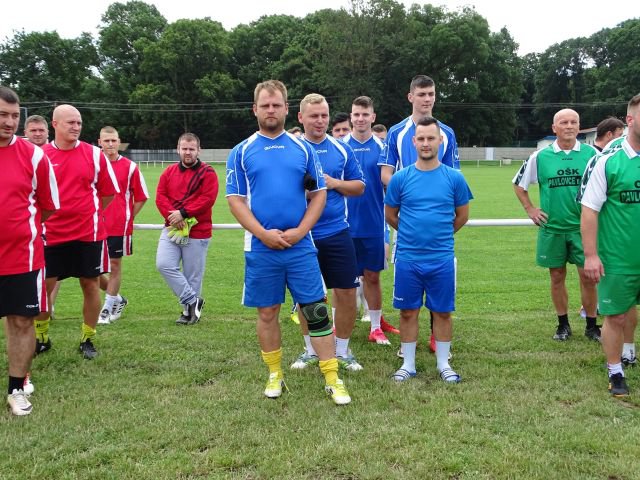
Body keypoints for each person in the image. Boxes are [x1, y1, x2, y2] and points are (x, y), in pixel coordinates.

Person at [226, 80, 351, 405]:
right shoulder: (241, 151)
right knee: (268, 312)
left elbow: (318, 194)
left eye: (276, 105)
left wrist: (300, 230)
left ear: (285, 108)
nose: (271, 110)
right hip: (260, 247)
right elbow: (236, 200)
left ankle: (332, 378)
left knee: (316, 310)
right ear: (255, 109)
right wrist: (262, 233)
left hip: (301, 246)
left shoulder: (303, 149)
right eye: (265, 105)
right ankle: (274, 374)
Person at [384, 116, 471, 383]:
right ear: (413, 141)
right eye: (420, 138)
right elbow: (391, 215)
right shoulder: (400, 178)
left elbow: (462, 216)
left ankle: (443, 364)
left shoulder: (454, 178)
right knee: (408, 311)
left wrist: (439, 235)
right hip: (408, 258)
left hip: (441, 258)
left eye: (430, 138)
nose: (425, 143)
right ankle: (408, 364)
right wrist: (412, 234)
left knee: (442, 311)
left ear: (440, 140)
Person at [381, 74, 461, 354]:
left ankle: (436, 337)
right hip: (406, 216)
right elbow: (385, 173)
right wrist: (409, 189)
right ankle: (408, 347)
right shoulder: (396, 133)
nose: (427, 99)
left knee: (439, 279)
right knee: (408, 282)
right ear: (411, 97)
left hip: (437, 220)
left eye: (431, 94)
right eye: (422, 94)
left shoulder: (447, 133)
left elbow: (453, 176)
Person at [36, 104, 118, 360]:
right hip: (51, 235)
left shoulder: (94, 154)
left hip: (88, 234)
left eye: (79, 122)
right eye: (70, 122)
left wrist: (87, 213)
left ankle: (87, 338)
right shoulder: (40, 155)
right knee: (44, 288)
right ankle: (41, 337)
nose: (76, 127)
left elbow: (108, 193)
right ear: (55, 124)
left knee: (90, 285)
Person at [290, 93, 365, 371]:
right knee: (307, 296)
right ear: (301, 117)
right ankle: (310, 350)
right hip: (303, 233)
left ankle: (342, 351)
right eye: (314, 116)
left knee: (346, 293)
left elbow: (359, 186)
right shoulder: (291, 150)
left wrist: (333, 183)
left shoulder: (341, 149)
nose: (320, 121)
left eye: (324, 115)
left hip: (337, 232)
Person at [513, 109, 599, 342]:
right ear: (554, 128)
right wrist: (530, 208)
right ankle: (563, 325)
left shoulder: (593, 154)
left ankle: (592, 326)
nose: (569, 126)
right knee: (557, 277)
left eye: (573, 122)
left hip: (583, 229)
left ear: (579, 127)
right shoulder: (540, 156)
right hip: (553, 229)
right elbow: (519, 184)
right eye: (564, 122)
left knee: (588, 277)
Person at [0, 86, 59, 415]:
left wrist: (20, 228)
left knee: (22, 321)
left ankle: (16, 389)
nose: (9, 122)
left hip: (22, 257)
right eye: (2, 115)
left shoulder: (34, 156)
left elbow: (47, 206)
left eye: (13, 115)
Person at [579, 94, 640, 396]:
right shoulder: (608, 162)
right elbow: (589, 210)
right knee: (616, 315)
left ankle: (630, 350)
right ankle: (615, 371)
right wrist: (591, 255)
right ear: (630, 120)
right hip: (619, 258)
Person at [344, 96, 399, 345]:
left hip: (374, 224)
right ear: (351, 117)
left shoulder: (383, 147)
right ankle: (339, 326)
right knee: (343, 281)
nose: (360, 119)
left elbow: (392, 184)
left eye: (365, 114)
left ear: (373, 117)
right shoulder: (341, 146)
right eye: (356, 114)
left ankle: (375, 327)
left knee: (373, 277)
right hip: (344, 226)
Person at [155, 133, 218, 326]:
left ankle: (188, 312)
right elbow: (160, 196)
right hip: (171, 229)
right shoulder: (169, 172)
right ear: (178, 149)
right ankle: (192, 301)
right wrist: (173, 217)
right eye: (184, 149)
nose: (188, 152)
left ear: (199, 150)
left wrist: (183, 213)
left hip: (198, 232)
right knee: (163, 264)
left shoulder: (208, 173)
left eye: (191, 149)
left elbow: (207, 199)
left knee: (193, 276)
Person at [97, 126, 149, 324]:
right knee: (89, 271)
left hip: (118, 227)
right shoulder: (93, 164)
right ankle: (118, 299)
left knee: (115, 265)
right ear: (100, 142)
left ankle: (106, 309)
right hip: (93, 226)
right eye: (106, 140)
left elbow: (142, 197)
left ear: (119, 142)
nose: (110, 144)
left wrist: (127, 216)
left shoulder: (130, 167)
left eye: (113, 140)